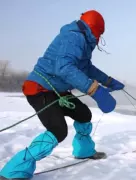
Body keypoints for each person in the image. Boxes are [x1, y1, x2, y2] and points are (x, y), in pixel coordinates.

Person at [0, 10, 124, 180]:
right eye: (99, 33)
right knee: (58, 130)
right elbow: (64, 67)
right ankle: (14, 171)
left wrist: (108, 81)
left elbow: (87, 68)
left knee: (83, 114)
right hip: (40, 90)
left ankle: (84, 151)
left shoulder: (83, 42)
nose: (99, 39)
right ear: (94, 29)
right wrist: (94, 90)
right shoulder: (73, 37)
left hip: (59, 92)